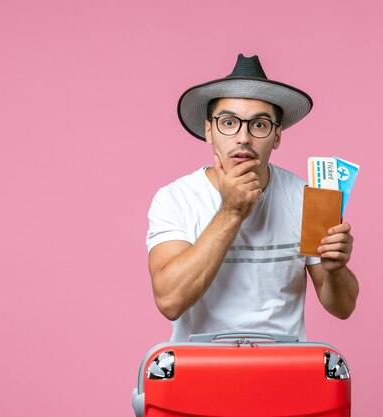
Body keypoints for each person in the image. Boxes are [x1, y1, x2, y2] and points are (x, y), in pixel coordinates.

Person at [147, 54, 358, 342]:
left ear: (277, 136)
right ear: (209, 131)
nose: (243, 137)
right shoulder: (175, 199)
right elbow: (170, 301)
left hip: (283, 370)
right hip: (200, 371)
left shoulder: (307, 197)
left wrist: (336, 271)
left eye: (259, 124)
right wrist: (231, 212)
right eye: (229, 122)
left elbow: (343, 308)